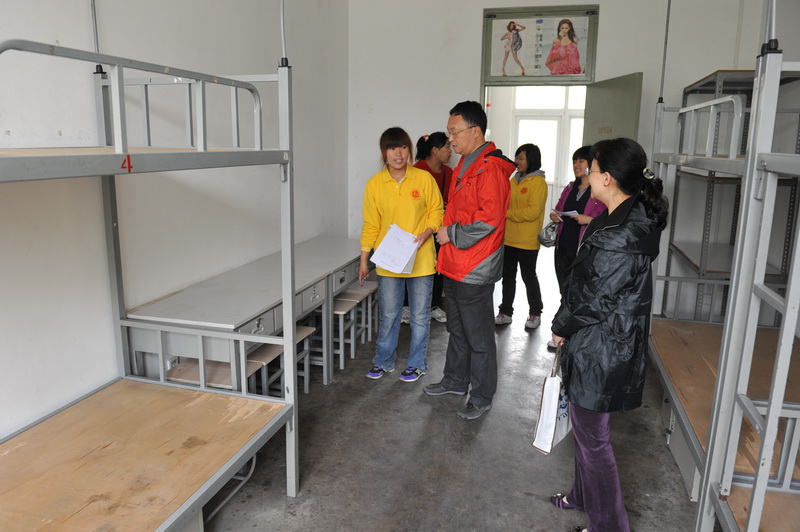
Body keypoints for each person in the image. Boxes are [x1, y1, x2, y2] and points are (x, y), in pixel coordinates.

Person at [549, 138, 669, 532]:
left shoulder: (622, 235)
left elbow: (595, 300)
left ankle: (610, 527)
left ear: (608, 178)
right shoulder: (620, 218)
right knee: (586, 434)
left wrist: (561, 326)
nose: (586, 173)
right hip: (599, 340)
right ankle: (583, 496)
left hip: (603, 346)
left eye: (593, 168)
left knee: (594, 440)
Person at [422, 101, 515, 420]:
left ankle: (482, 395)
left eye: (454, 132)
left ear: (475, 131)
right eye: (448, 132)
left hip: (475, 266)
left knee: (479, 336)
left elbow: (488, 220)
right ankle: (455, 380)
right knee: (458, 330)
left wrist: (450, 233)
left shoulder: (490, 168)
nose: (450, 139)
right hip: (455, 263)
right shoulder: (467, 162)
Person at [359, 127, 443, 383]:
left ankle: (417, 364)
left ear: (410, 150)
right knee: (389, 315)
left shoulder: (423, 179)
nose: (399, 153)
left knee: (419, 317)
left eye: (404, 147)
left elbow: (436, 210)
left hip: (421, 260)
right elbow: (371, 224)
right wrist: (364, 260)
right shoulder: (375, 184)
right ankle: (383, 362)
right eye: (392, 148)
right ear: (384, 152)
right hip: (389, 261)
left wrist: (428, 232)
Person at [547, 146, 606, 349]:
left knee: (577, 292)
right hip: (563, 246)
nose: (576, 165)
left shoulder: (598, 191)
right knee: (564, 291)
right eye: (574, 161)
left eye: (581, 161)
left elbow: (606, 218)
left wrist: (589, 220)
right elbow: (559, 208)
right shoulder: (570, 187)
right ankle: (562, 332)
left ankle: (567, 333)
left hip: (582, 250)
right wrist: (554, 215)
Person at [495, 143, 547, 330]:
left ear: (531, 160)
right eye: (516, 157)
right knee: (508, 277)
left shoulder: (538, 182)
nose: (517, 161)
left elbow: (532, 212)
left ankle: (535, 313)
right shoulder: (513, 180)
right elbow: (503, 202)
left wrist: (506, 214)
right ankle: (505, 312)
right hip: (509, 238)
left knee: (528, 277)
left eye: (521, 158)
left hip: (527, 241)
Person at [412, 132, 453, 323]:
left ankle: (434, 305)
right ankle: (407, 306)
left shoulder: (449, 173)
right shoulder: (417, 170)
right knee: (413, 267)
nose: (450, 151)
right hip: (418, 230)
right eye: (447, 147)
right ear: (435, 150)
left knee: (438, 268)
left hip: (440, 230)